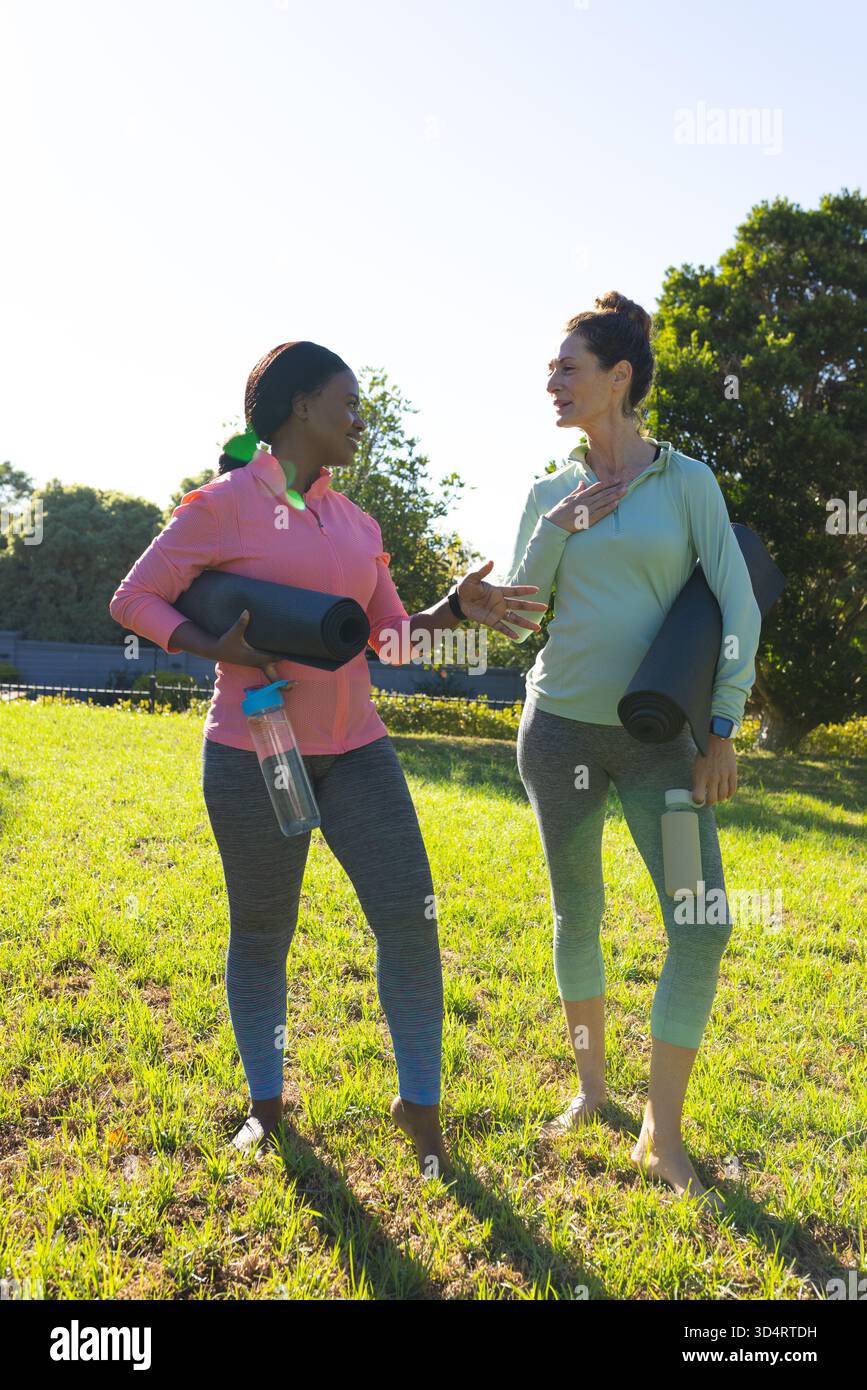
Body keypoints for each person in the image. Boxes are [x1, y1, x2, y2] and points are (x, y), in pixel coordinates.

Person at [108, 340, 546, 1170]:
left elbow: (388, 639)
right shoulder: (219, 506)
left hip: (358, 752)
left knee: (409, 923)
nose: (359, 418)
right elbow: (132, 598)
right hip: (257, 751)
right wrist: (216, 647)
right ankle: (266, 1108)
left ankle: (418, 1111)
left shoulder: (356, 523)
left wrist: (456, 609)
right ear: (300, 406)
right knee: (264, 929)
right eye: (347, 402)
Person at [502, 293, 762, 1211]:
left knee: (700, 922)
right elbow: (518, 614)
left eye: (567, 368)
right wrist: (553, 529)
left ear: (619, 378)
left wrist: (722, 727)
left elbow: (739, 606)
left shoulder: (688, 483)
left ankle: (664, 1131)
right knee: (578, 912)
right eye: (550, 369)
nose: (552, 382)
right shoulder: (548, 494)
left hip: (663, 747)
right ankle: (591, 1089)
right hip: (558, 734)